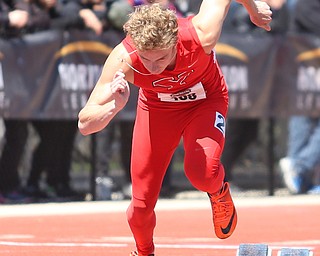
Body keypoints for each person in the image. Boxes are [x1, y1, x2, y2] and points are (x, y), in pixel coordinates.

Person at [78, 1, 272, 255]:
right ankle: (144, 251)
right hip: (157, 109)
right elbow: (85, 123)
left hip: (205, 101)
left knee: (201, 173)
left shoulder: (201, 33)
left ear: (174, 42)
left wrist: (253, 7)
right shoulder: (124, 58)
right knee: (140, 205)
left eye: (162, 57)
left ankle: (218, 190)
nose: (154, 67)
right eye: (146, 59)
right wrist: (113, 107)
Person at [220, 0, 289, 185]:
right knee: (235, 128)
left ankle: (223, 177)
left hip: (257, 78)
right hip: (237, 77)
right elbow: (244, 39)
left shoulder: (269, 9)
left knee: (250, 130)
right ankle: (218, 180)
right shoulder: (238, 9)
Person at [278, 0, 320, 195]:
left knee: (304, 119)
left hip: (309, 68)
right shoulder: (305, 4)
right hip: (304, 68)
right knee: (302, 118)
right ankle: (299, 168)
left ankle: (300, 172)